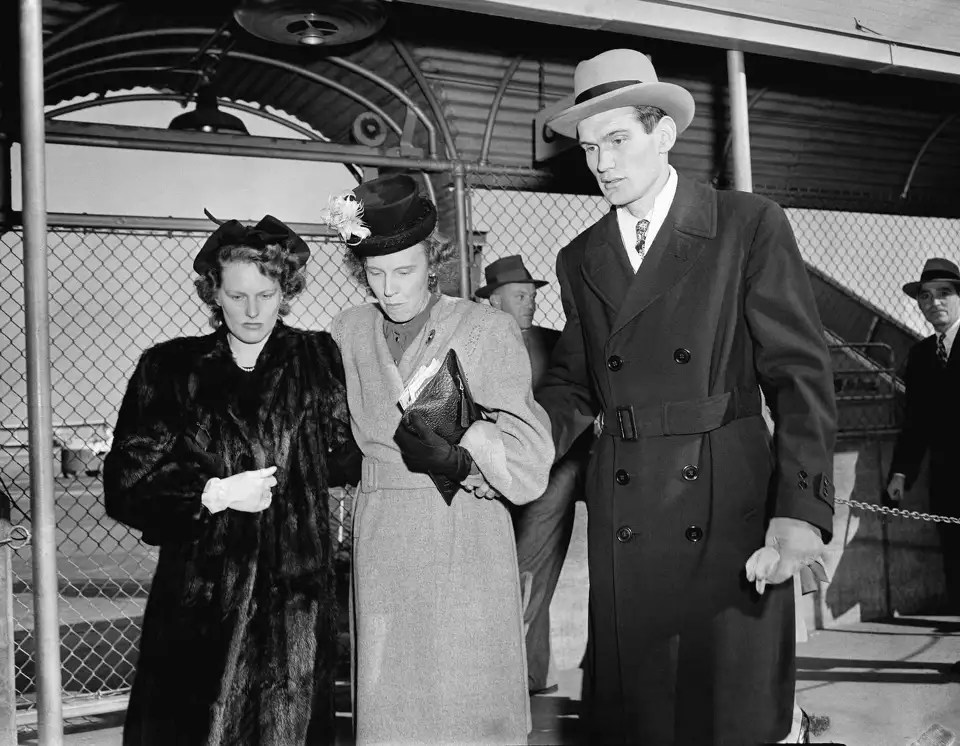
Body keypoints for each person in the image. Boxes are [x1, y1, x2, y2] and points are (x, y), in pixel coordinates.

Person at [537, 49, 837, 744]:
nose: (602, 163)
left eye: (618, 140)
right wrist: (514, 443)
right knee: (641, 718)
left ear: (664, 133)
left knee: (728, 713)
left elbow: (799, 375)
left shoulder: (747, 225)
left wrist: (799, 514)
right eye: (590, 149)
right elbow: (573, 384)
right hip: (627, 507)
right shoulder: (579, 257)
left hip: (727, 501)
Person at [104, 214, 360, 745]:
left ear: (286, 292)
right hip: (199, 602)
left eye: (266, 295)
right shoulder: (170, 368)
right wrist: (213, 494)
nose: (252, 311)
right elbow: (127, 483)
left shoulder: (317, 360)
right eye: (237, 295)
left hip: (293, 603)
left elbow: (352, 452)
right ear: (214, 293)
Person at [325, 174, 554, 744]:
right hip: (384, 536)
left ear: (434, 262)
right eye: (375, 274)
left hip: (464, 532)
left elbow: (529, 459)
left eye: (404, 271)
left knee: (468, 703)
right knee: (393, 711)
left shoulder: (484, 329)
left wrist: (464, 453)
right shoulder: (348, 332)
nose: (390, 289)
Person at [476, 254, 590, 694]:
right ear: (494, 300)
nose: (530, 303)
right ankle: (525, 670)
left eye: (532, 296)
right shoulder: (477, 342)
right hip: (494, 469)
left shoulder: (553, 342)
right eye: (520, 296)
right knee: (506, 567)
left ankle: (525, 671)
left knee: (532, 563)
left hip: (553, 469)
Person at [887, 258, 960, 619]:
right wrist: (901, 473)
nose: (935, 302)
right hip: (947, 478)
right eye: (926, 296)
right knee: (954, 555)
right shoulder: (920, 356)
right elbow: (916, 423)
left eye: (944, 293)